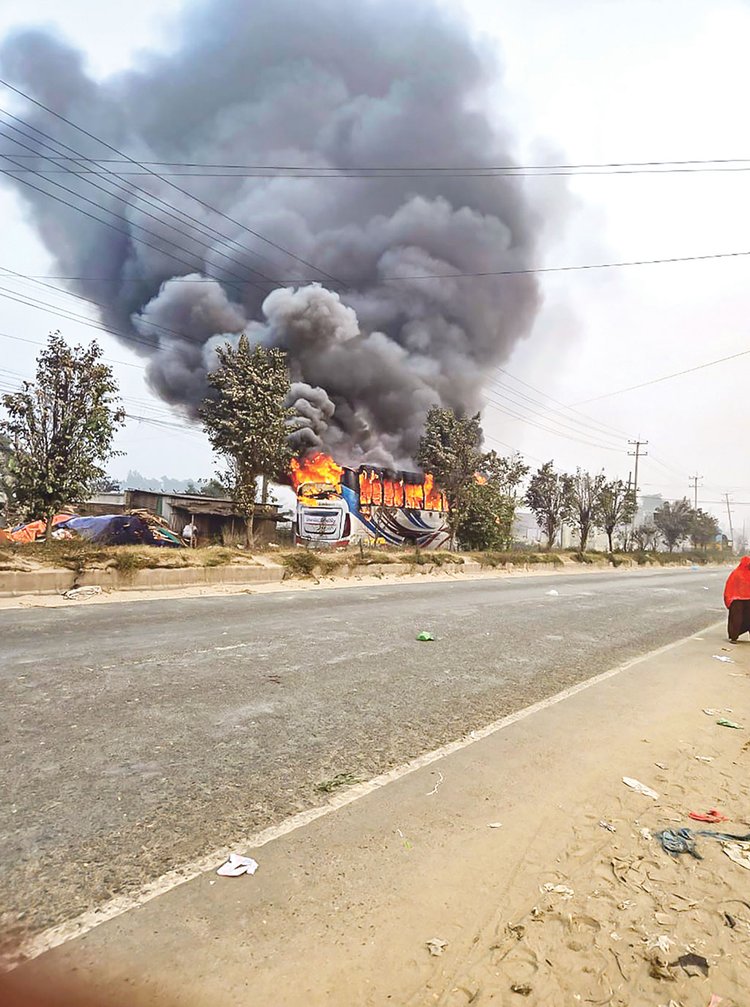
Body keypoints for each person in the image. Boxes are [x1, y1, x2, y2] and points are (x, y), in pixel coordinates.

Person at [724, 556, 750, 641]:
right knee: (743, 619)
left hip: (737, 600)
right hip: (742, 600)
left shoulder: (735, 573)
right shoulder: (737, 573)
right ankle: (734, 636)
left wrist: (728, 600)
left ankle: (734, 636)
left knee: (736, 619)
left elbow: (729, 587)